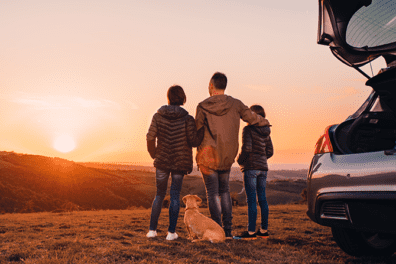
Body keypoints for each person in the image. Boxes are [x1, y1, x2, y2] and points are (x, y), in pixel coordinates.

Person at [195, 72, 270, 238]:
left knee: (212, 193)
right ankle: (227, 232)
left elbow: (197, 134)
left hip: (208, 158)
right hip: (227, 156)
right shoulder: (236, 104)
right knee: (225, 192)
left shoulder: (202, 106)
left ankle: (218, 230)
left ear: (211, 85)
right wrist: (265, 123)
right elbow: (252, 118)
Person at [146, 85, 203, 241]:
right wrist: (202, 130)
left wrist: (155, 155)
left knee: (159, 194)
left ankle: (152, 231)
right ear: (183, 98)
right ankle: (171, 233)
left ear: (168, 98)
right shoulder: (188, 119)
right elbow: (193, 141)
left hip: (162, 161)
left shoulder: (158, 116)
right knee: (175, 196)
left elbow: (150, 137)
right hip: (179, 162)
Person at [234, 104, 273, 240]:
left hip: (251, 167)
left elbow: (247, 149)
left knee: (251, 200)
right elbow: (270, 151)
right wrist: (261, 160)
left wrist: (239, 160)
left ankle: (250, 232)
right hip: (263, 168)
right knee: (262, 199)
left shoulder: (248, 130)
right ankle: (264, 230)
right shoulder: (266, 131)